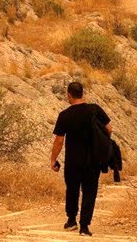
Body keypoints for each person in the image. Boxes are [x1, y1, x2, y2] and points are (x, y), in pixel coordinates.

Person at [50, 81, 111, 236]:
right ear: (82, 93)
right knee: (90, 191)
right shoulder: (95, 110)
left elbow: (59, 140)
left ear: (69, 94)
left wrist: (53, 159)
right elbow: (109, 128)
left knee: (72, 190)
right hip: (92, 160)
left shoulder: (64, 115)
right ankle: (84, 226)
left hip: (73, 161)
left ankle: (71, 220)